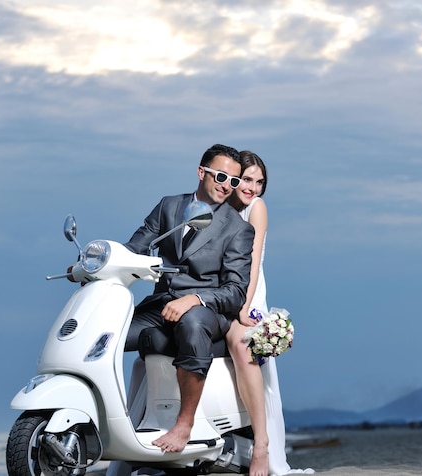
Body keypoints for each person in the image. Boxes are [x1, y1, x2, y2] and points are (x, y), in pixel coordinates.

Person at [123, 144, 262, 467]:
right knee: (107, 330)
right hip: (158, 306)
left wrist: (195, 299)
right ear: (202, 173)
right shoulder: (168, 207)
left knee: (192, 323)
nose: (228, 185)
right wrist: (97, 262)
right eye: (221, 176)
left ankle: (184, 424)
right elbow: (135, 247)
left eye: (234, 180)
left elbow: (235, 291)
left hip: (207, 311)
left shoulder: (238, 229)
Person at [225, 151, 313, 476]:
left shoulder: (256, 208)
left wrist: (244, 306)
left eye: (259, 182)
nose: (253, 188)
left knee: (262, 374)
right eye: (247, 179)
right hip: (225, 296)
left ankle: (268, 452)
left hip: (249, 298)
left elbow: (253, 261)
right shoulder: (220, 208)